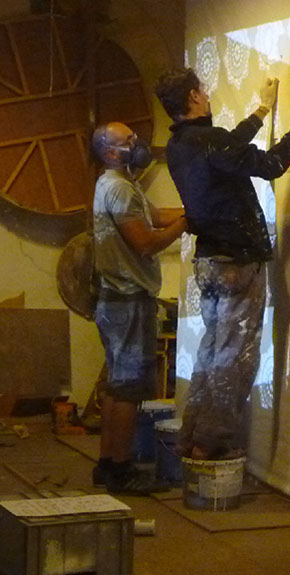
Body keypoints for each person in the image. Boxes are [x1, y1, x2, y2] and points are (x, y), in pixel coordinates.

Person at [154, 68, 290, 460]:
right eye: (203, 91)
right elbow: (271, 165)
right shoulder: (209, 140)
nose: (207, 95)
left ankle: (192, 436)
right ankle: (211, 443)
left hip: (209, 262)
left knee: (212, 351)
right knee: (234, 357)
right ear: (194, 97)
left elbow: (227, 148)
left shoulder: (180, 144)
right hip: (236, 260)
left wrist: (262, 111)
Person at [91, 122, 187, 494]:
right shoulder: (119, 189)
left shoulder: (116, 184)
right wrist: (186, 224)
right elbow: (146, 242)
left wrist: (193, 209)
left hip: (116, 300)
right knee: (129, 389)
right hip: (128, 301)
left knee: (118, 386)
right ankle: (121, 469)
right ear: (110, 152)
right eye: (127, 141)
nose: (137, 144)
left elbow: (155, 216)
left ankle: (107, 464)